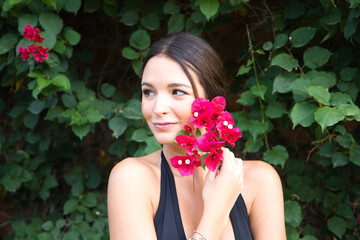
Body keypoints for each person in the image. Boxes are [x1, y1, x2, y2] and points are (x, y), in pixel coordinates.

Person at [107, 32, 286, 240]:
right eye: (148, 92)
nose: (158, 108)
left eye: (177, 92)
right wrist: (215, 212)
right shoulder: (132, 179)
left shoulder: (260, 181)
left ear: (210, 99)